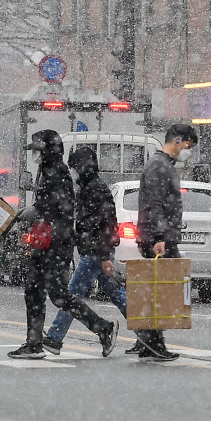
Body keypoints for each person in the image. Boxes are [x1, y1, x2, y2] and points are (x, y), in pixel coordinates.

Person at [8, 130, 119, 359]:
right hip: (47, 241)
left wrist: (35, 210)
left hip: (57, 244)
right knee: (34, 290)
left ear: (48, 150)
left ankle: (103, 328)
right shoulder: (47, 170)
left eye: (37, 150)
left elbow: (59, 207)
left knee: (58, 294)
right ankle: (34, 342)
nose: (35, 155)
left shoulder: (56, 171)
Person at [43, 146, 134, 355]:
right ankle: (146, 333)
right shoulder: (89, 187)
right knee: (117, 294)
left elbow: (104, 224)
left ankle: (55, 338)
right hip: (96, 251)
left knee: (72, 294)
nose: (72, 170)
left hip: (96, 252)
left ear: (82, 167)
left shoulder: (95, 189)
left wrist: (103, 256)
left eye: (74, 166)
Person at [135, 124, 198, 361]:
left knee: (159, 290)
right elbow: (154, 205)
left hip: (161, 237)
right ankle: (153, 343)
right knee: (164, 291)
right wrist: (159, 238)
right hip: (158, 239)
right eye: (188, 146)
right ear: (178, 140)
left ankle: (147, 341)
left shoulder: (164, 166)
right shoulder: (158, 167)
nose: (187, 152)